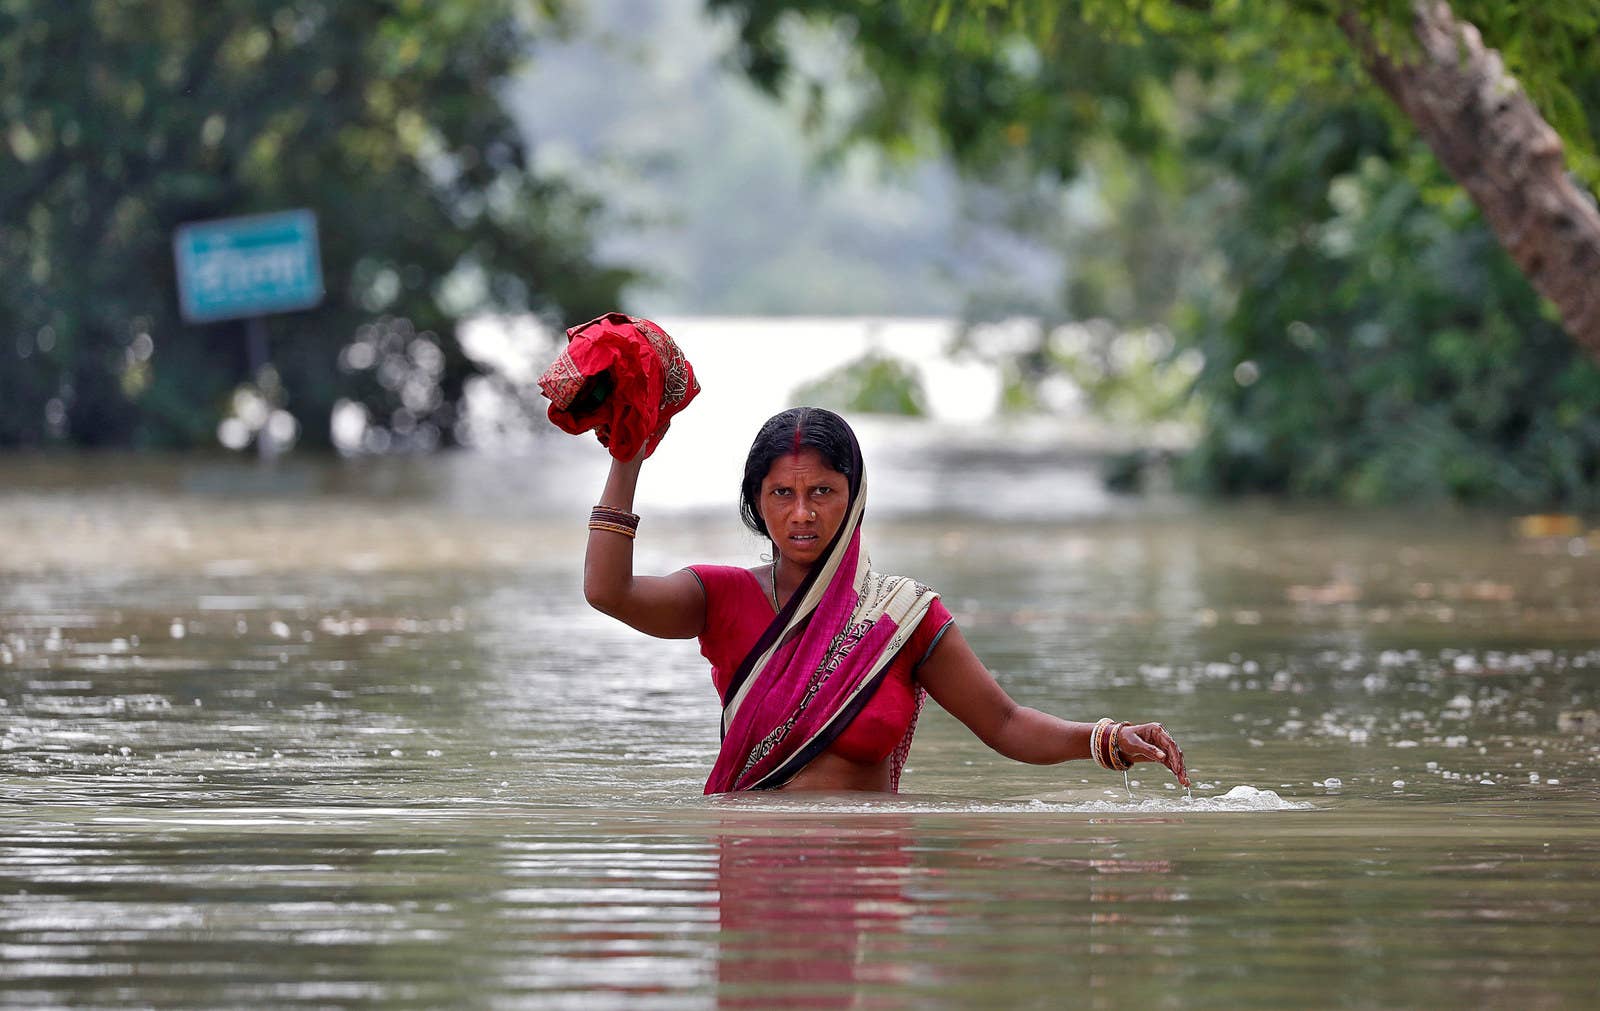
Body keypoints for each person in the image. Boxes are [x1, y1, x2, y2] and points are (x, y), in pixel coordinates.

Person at [583, 406, 1190, 794]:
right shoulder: (719, 596)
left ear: (855, 496)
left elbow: (1005, 724)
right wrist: (626, 460)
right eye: (782, 493)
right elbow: (608, 592)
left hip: (866, 878)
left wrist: (1104, 738)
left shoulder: (904, 617)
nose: (802, 514)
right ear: (755, 502)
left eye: (822, 490)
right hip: (751, 865)